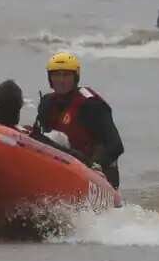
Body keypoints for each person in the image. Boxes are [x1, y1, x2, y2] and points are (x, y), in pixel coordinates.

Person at [35, 52, 124, 188]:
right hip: (63, 166)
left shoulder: (92, 105)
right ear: (50, 78)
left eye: (66, 75)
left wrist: (94, 166)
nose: (61, 80)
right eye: (56, 75)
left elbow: (115, 145)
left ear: (75, 77)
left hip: (95, 172)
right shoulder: (47, 103)